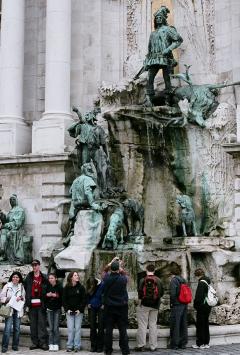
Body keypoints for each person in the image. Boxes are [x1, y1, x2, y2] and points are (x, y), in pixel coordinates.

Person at [138, 6, 183, 103]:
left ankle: (168, 99)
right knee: (150, 77)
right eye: (156, 18)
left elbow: (178, 40)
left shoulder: (168, 29)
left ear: (163, 18)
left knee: (166, 78)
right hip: (154, 58)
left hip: (165, 57)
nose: (158, 19)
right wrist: (146, 61)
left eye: (160, 17)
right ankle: (150, 99)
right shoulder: (152, 33)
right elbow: (149, 49)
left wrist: (168, 49)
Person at [102, 258, 130, 355]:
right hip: (121, 308)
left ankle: (108, 350)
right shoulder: (123, 279)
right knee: (123, 330)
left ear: (111, 269)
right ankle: (125, 350)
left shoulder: (106, 278)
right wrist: (121, 268)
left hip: (109, 307)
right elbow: (126, 275)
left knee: (108, 330)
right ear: (118, 269)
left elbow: (104, 271)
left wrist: (109, 264)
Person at [135, 264, 164, 351]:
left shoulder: (142, 280)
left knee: (142, 325)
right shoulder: (159, 280)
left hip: (144, 305)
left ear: (146, 270)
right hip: (155, 305)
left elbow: (140, 293)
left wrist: (139, 303)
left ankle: (141, 345)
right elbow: (161, 293)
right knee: (153, 325)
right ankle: (153, 346)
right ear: (154, 270)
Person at [24, 259, 49, 350]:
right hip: (32, 304)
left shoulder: (44, 277)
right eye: (33, 265)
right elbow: (25, 288)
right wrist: (27, 301)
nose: (34, 267)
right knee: (33, 325)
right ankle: (35, 343)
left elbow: (47, 289)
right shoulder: (29, 277)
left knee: (42, 324)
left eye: (36, 265)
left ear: (39, 266)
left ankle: (43, 343)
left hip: (41, 304)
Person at [0, 271, 25, 353]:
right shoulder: (7, 286)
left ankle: (15, 345)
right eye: (14, 277)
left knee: (17, 328)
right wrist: (9, 298)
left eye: (17, 277)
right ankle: (4, 346)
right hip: (9, 309)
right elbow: (1, 298)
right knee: (7, 328)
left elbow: (24, 298)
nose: (15, 278)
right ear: (11, 278)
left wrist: (20, 298)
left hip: (17, 309)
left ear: (19, 279)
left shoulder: (21, 287)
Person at [62, 271, 86, 352]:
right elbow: (64, 300)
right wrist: (67, 310)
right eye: (75, 275)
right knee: (70, 329)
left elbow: (84, 300)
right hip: (69, 312)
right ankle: (69, 346)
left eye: (77, 275)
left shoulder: (81, 288)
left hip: (79, 312)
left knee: (78, 329)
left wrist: (80, 309)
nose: (77, 276)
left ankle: (77, 346)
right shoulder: (66, 288)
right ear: (71, 277)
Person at [169, 264, 188, 350]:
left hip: (177, 304)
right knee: (183, 324)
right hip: (184, 304)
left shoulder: (174, 280)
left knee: (175, 324)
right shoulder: (183, 280)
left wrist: (172, 303)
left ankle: (175, 344)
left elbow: (173, 294)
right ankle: (183, 343)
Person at [192, 268, 211, 349]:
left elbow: (198, 297)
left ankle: (200, 343)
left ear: (197, 276)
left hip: (202, 307)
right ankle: (206, 343)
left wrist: (195, 305)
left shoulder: (201, 283)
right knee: (206, 324)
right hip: (207, 306)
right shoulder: (207, 282)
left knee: (200, 325)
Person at [44, 273, 63, 351]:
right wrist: (47, 295)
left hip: (57, 309)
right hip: (49, 309)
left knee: (56, 328)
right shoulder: (47, 286)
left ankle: (56, 344)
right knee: (51, 328)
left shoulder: (60, 286)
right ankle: (51, 343)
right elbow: (43, 297)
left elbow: (63, 298)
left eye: (52, 278)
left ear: (55, 279)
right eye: (49, 278)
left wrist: (56, 296)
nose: (50, 279)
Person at [86, 277, 104, 352]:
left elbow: (105, 294)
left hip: (101, 307)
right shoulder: (88, 284)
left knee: (101, 326)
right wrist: (88, 303)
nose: (91, 286)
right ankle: (93, 346)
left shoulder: (102, 285)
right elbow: (86, 295)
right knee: (92, 326)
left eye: (92, 285)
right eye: (90, 285)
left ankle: (100, 346)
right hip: (92, 307)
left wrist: (103, 303)